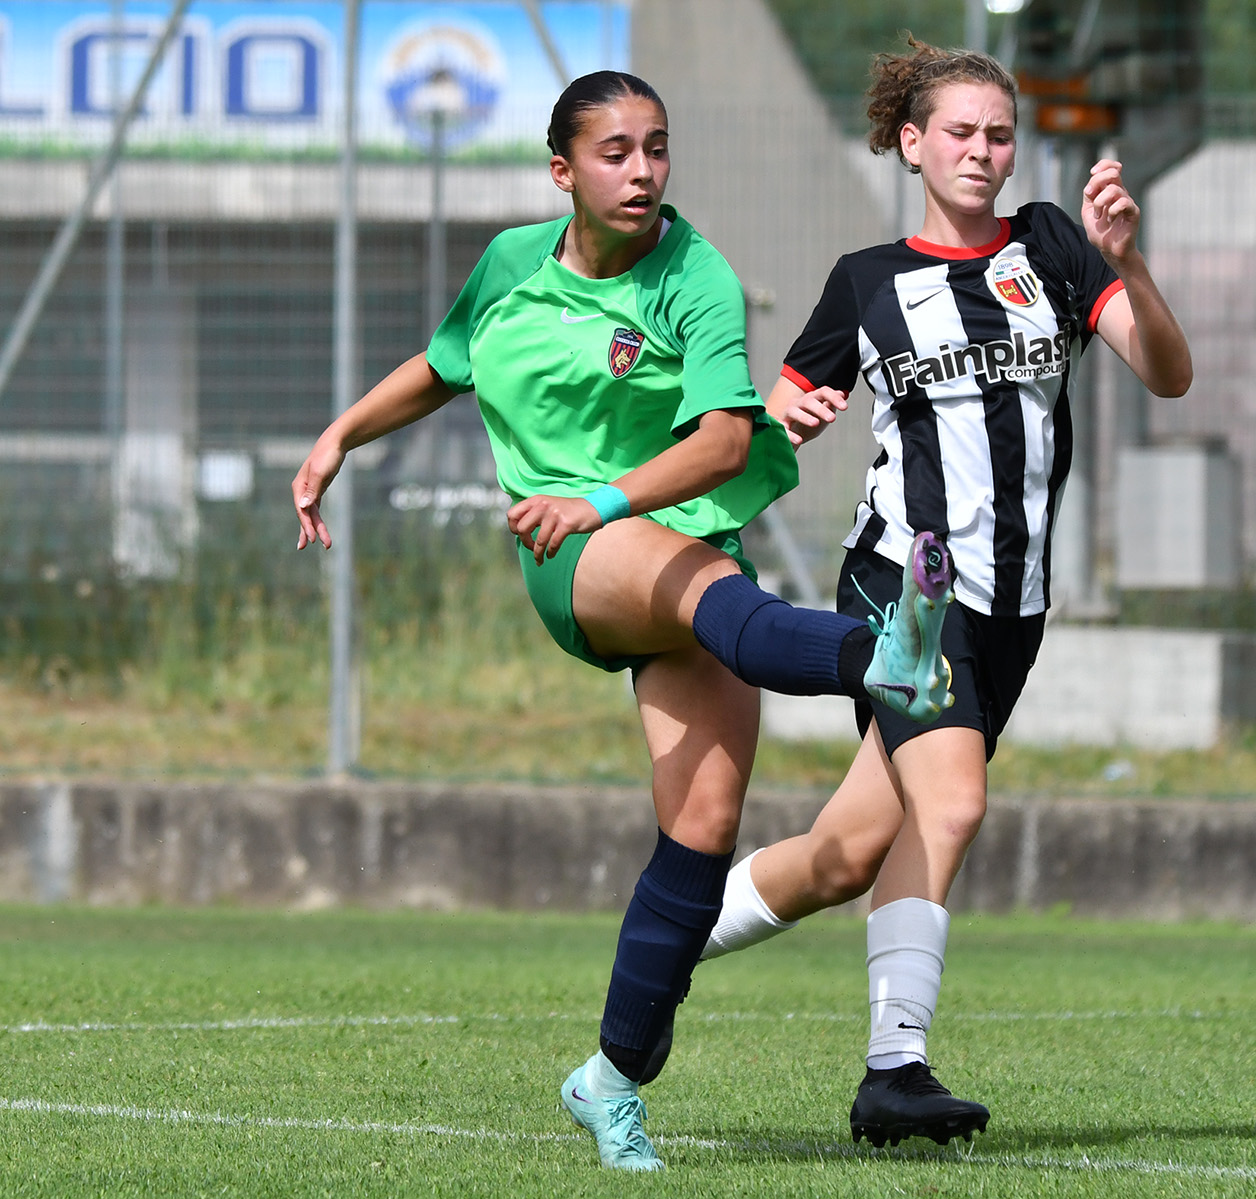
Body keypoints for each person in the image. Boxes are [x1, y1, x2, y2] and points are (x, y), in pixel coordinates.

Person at [289, 70, 957, 1173]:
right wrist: (338, 438)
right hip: (576, 555)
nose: (643, 171)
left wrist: (604, 497)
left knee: (701, 827)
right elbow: (444, 365)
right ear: (563, 171)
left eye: (657, 147)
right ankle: (888, 656)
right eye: (615, 152)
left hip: (665, 539)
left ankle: (610, 1078)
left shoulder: (696, 272)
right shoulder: (512, 263)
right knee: (734, 610)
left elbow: (726, 443)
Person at [698, 41, 1193, 1148]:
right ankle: (895, 1070)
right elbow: (764, 431)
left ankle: (664, 940)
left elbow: (1168, 373)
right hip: (906, 585)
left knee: (843, 854)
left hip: (1016, 604)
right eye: (960, 132)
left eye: (999, 134)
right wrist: (782, 422)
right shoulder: (866, 281)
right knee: (954, 804)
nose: (981, 151)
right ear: (912, 143)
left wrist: (1131, 263)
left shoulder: (1054, 245)